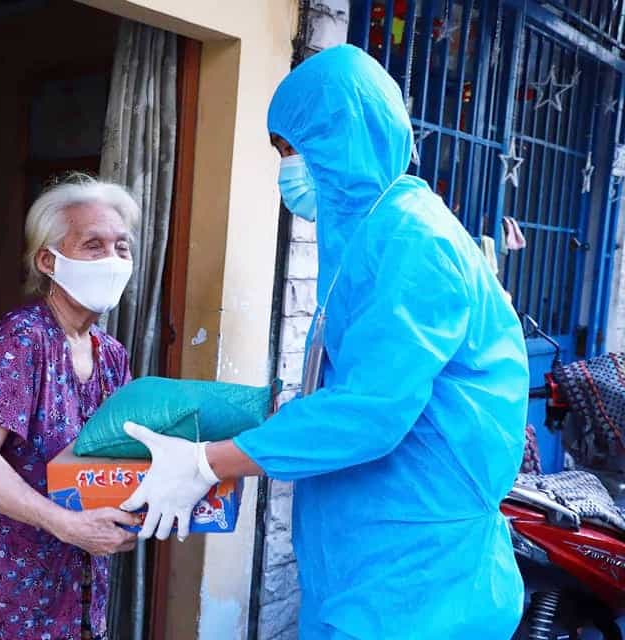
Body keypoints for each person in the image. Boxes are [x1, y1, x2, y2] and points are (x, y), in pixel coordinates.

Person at [122, 45, 530, 639]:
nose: (287, 171)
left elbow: (371, 412)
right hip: (370, 564)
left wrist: (207, 463)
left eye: (292, 150)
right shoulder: (368, 236)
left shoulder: (413, 240)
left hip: (421, 582)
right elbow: (354, 380)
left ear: (344, 139)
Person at [0, 175, 141, 640]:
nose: (113, 260)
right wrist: (67, 524)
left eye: (121, 247)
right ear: (48, 261)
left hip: (69, 581)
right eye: (93, 246)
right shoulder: (24, 339)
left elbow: (119, 455)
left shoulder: (111, 355)